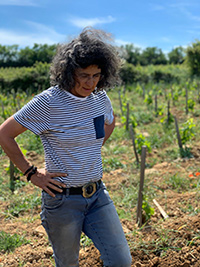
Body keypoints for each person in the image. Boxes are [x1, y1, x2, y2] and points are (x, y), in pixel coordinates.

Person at [0, 27, 132, 267]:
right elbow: (4, 133)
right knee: (68, 264)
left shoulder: (100, 98)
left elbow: (109, 122)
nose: (90, 82)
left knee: (121, 260)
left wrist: (90, 148)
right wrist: (31, 173)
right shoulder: (49, 102)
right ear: (69, 71)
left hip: (97, 196)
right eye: (83, 75)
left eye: (96, 75)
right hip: (62, 201)